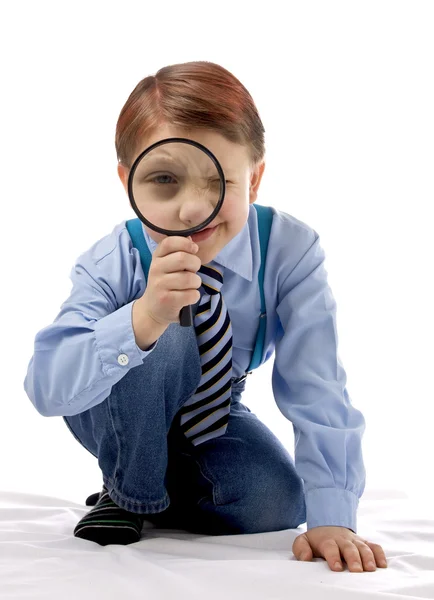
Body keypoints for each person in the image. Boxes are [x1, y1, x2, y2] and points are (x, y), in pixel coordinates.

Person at [23, 60, 387, 573]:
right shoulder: (114, 257)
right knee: (172, 333)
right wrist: (144, 316)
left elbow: (317, 382)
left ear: (254, 180)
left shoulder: (291, 251)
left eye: (218, 180)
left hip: (214, 407)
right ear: (129, 182)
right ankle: (128, 493)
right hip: (107, 404)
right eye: (164, 179)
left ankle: (156, 483)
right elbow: (48, 387)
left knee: (276, 503)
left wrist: (333, 514)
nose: (193, 209)